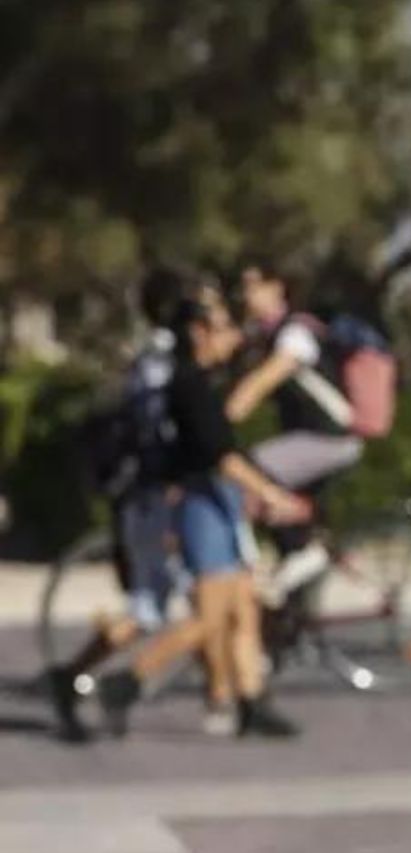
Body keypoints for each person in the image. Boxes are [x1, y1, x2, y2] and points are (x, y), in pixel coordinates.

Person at [66, 291, 309, 741]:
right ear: (199, 332)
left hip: (213, 500)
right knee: (210, 616)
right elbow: (221, 455)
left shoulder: (191, 379)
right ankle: (130, 681)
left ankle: (250, 700)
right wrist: (271, 494)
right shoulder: (190, 384)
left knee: (241, 608)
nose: (233, 337)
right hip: (204, 504)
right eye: (222, 327)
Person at [43, 268, 190, 742]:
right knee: (177, 605)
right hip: (158, 495)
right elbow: (165, 432)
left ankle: (82, 679)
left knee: (159, 603)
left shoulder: (151, 357)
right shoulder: (168, 361)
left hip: (143, 494)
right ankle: (117, 683)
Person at [226, 262, 365, 599]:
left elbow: (262, 381)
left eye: (254, 286)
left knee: (249, 469)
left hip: (332, 438)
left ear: (278, 288)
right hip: (308, 440)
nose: (247, 295)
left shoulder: (295, 334)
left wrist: (226, 414)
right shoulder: (262, 334)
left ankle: (307, 552)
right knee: (265, 490)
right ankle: (293, 570)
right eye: (243, 288)